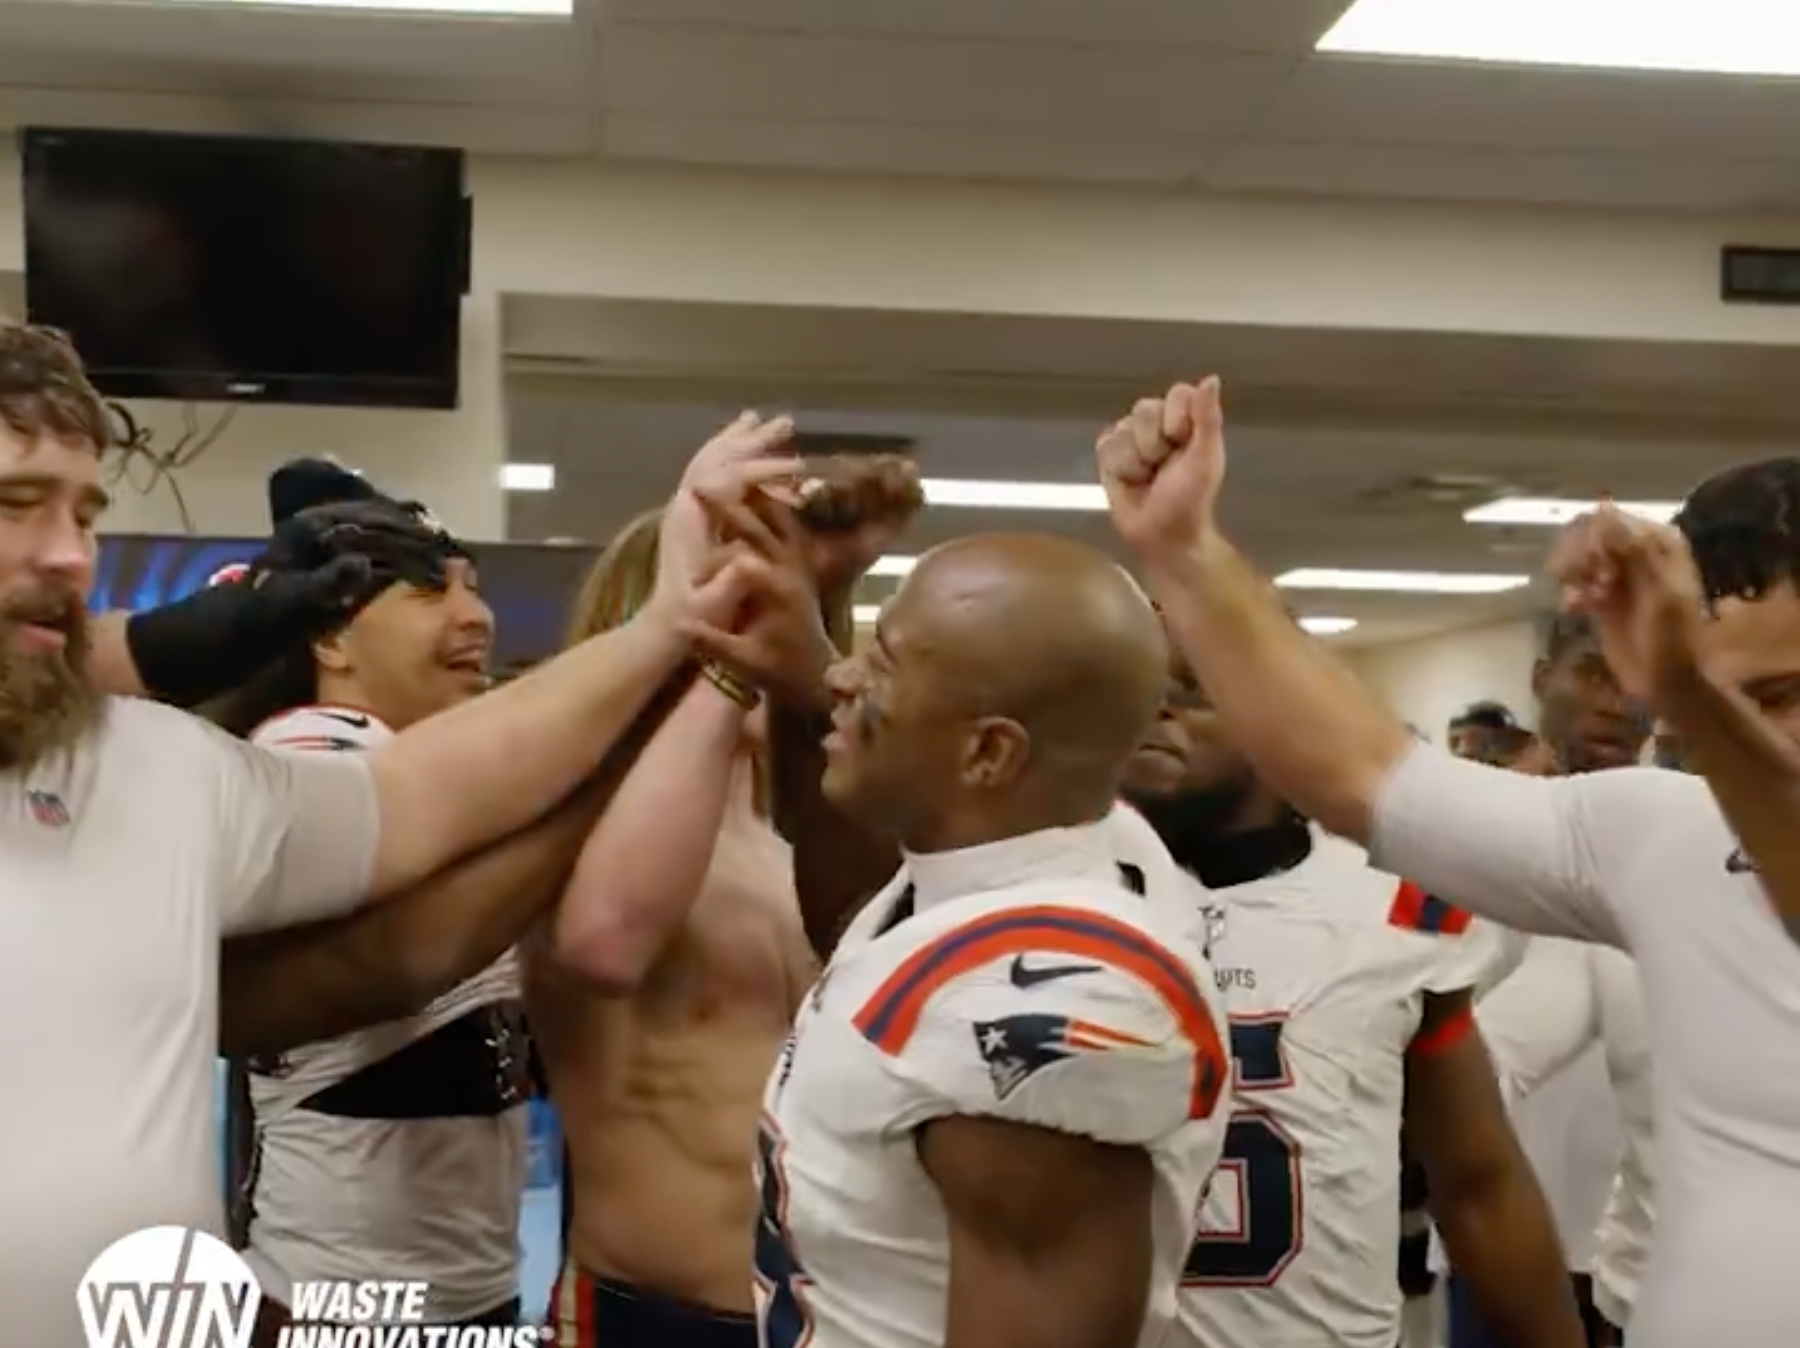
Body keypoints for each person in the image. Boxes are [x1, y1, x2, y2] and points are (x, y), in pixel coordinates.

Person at [0, 317, 781, 1348]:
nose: (67, 552)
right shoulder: (294, 736)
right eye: (14, 503)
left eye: (86, 511)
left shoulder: (156, 768)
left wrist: (672, 629)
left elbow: (426, 797)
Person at [1094, 374, 1800, 1348]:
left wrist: (1690, 687)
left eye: (1785, 694)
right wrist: (1186, 552)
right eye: (1734, 701)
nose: (1747, 738)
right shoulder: (1660, 829)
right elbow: (1355, 768)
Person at [732, 525, 1230, 1348]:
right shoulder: (999, 861)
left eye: (883, 661)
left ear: (990, 752)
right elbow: (864, 942)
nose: (841, 674)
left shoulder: (1048, 987)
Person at [528, 455, 919, 1348]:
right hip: (648, 1313)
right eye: (734, 603)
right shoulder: (573, 827)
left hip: (818, 1319)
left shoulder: (803, 854)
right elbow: (605, 943)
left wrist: (819, 597)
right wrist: (727, 663)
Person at [215, 489, 619, 1340]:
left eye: (475, 589)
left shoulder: (437, 767)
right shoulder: (309, 754)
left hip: (470, 1293)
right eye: (434, 593)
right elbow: (416, 942)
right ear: (331, 638)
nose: (477, 618)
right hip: (337, 1306)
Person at [1120, 648, 1582, 1348]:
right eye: (1132, 688)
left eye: (1191, 689)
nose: (1155, 710)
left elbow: (1477, 1180)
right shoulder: (1044, 899)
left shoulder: (1395, 905)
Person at [1443, 614, 1644, 1348]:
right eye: (1596, 672)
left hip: (1639, 1240)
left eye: (1638, 674)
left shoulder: (1687, 839)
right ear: (1542, 680)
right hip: (1508, 1218)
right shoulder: (1463, 831)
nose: (1620, 700)